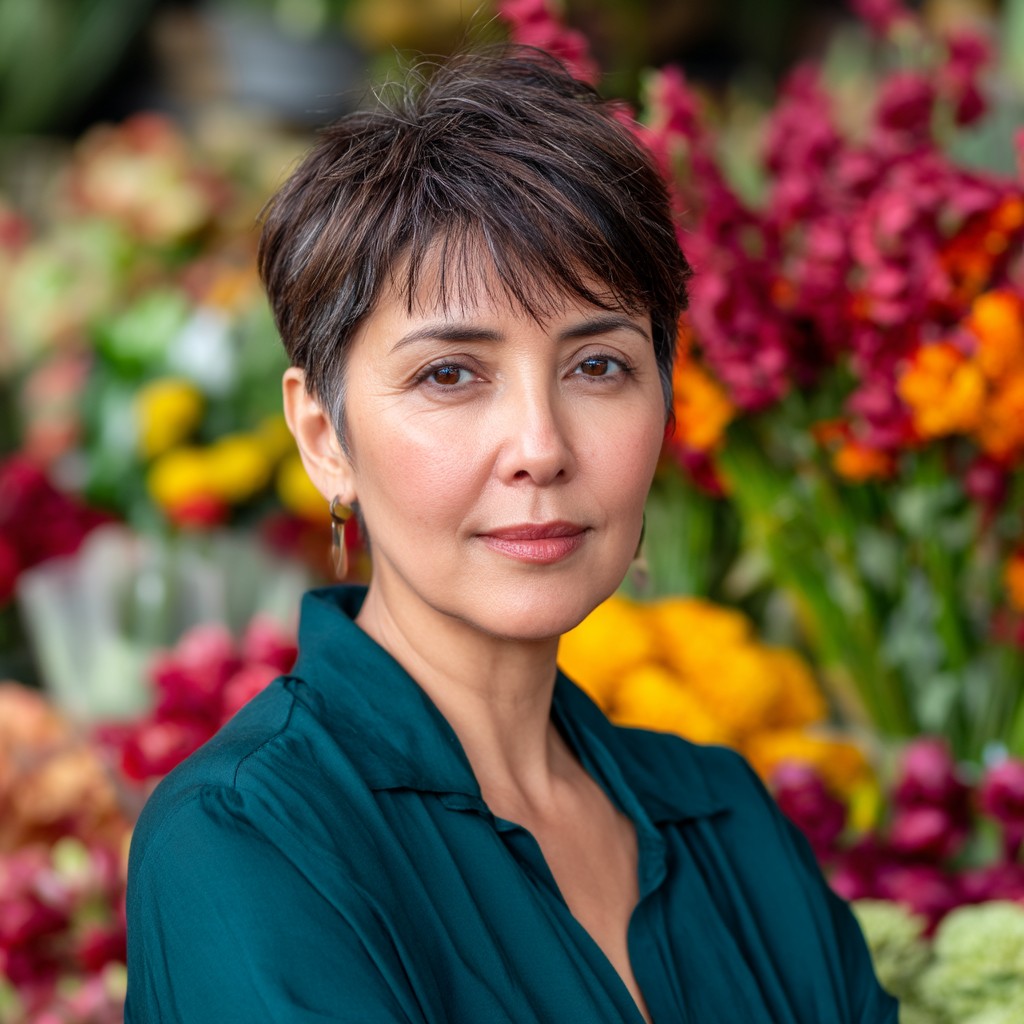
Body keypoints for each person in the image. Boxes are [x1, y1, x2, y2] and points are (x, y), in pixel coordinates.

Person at [124, 47, 898, 1023]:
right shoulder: (251, 842)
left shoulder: (727, 821)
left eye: (598, 366)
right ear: (324, 437)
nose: (540, 447)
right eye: (451, 373)